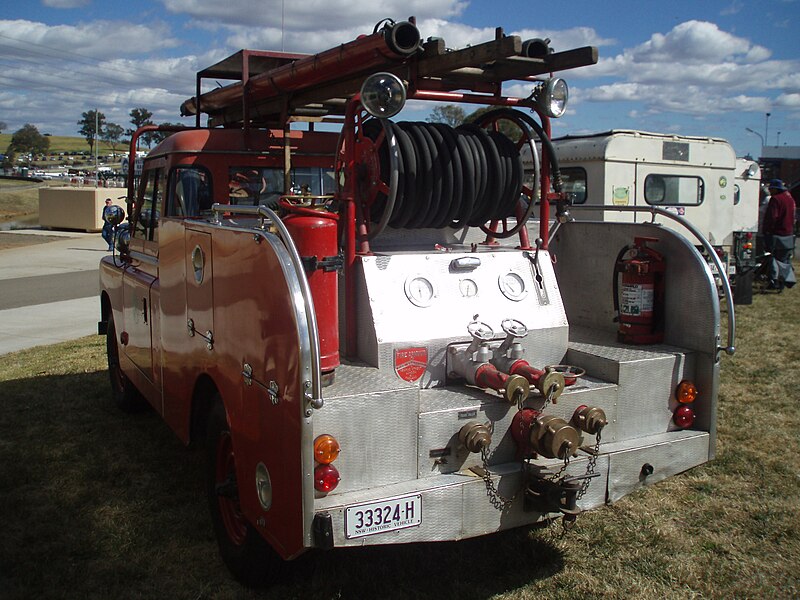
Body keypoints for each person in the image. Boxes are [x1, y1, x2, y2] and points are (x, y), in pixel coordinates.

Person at [762, 179, 796, 290]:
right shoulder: (790, 198)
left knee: (774, 259)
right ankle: (785, 280)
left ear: (776, 189)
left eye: (771, 189)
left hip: (777, 233)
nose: (770, 191)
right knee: (785, 260)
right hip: (789, 233)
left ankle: (774, 281)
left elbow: (772, 217)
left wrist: (767, 230)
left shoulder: (775, 199)